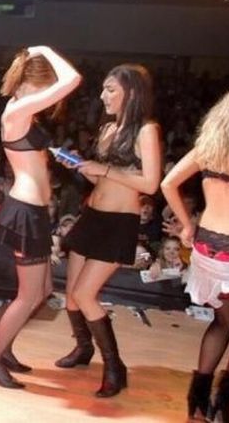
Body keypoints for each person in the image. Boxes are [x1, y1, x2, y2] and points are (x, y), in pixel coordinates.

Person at [0, 46, 81, 389]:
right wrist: (46, 49)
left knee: (42, 290)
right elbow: (73, 79)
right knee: (28, 295)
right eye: (45, 87)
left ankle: (4, 348)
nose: (49, 96)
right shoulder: (18, 109)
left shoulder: (23, 111)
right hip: (25, 212)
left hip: (33, 211)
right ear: (32, 82)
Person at [56, 64, 161, 398]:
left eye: (110, 89)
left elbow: (150, 183)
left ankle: (115, 367)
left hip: (119, 222)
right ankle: (83, 347)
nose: (103, 96)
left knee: (85, 295)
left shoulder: (146, 131)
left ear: (132, 92)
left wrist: (103, 169)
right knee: (71, 294)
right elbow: (101, 178)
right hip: (92, 216)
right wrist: (80, 166)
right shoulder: (107, 129)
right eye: (103, 89)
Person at [160, 88, 229, 421]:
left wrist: (188, 226)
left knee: (224, 321)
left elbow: (168, 183)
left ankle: (198, 401)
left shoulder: (209, 148)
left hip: (209, 248)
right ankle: (222, 403)